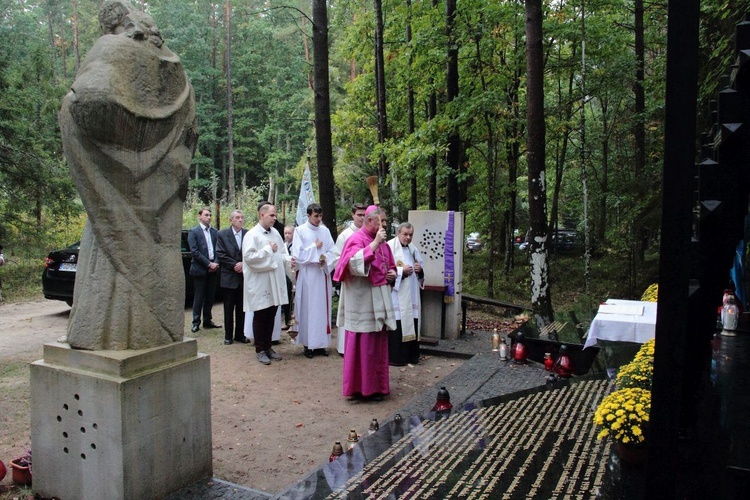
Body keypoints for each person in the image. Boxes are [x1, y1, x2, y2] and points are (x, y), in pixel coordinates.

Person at [58, 0, 198, 350]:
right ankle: (157, 333)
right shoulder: (178, 72)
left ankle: (105, 334)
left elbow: (90, 99)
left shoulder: (112, 48)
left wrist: (69, 106)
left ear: (117, 26)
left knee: (110, 249)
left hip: (115, 193)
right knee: (161, 253)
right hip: (161, 194)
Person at [333, 206, 397, 400]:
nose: (384, 225)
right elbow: (351, 264)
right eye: (381, 221)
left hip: (378, 300)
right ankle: (361, 389)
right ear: (370, 221)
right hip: (361, 301)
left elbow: (389, 265)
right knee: (364, 346)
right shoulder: (356, 239)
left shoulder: (383, 242)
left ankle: (377, 387)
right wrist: (374, 245)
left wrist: (393, 274)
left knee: (377, 345)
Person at [243, 203, 292, 365]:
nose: (274, 218)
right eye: (272, 215)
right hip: (261, 282)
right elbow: (249, 258)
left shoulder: (276, 233)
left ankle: (269, 346)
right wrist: (268, 250)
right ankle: (260, 349)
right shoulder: (252, 235)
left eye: (275, 215)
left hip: (274, 281)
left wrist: (290, 261)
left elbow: (283, 253)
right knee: (261, 315)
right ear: (262, 215)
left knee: (271, 314)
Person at [292, 203, 336, 358]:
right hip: (308, 275)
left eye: (320, 216)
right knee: (308, 309)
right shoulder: (300, 231)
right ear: (308, 215)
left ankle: (321, 344)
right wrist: (314, 247)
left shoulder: (325, 230)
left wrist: (326, 260)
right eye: (316, 216)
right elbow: (298, 255)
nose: (319, 219)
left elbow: (333, 251)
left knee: (322, 310)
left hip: (321, 274)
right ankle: (308, 344)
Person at [387, 222, 425, 366]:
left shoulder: (413, 248)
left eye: (410, 235)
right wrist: (402, 272)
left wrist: (419, 270)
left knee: (412, 322)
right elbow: (386, 270)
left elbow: (421, 268)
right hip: (396, 295)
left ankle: (411, 356)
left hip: (412, 294)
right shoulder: (389, 247)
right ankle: (396, 358)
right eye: (405, 235)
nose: (408, 238)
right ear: (398, 233)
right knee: (398, 325)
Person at [331, 203, 367, 355]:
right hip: (351, 282)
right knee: (349, 314)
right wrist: (352, 263)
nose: (362, 217)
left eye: (365, 215)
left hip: (365, 282)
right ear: (353, 215)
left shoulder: (370, 234)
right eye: (359, 214)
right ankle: (344, 347)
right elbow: (336, 259)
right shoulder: (345, 236)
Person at [216, 210, 248, 345]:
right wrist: (234, 264)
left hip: (243, 277)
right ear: (231, 220)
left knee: (242, 308)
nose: (240, 220)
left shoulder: (247, 234)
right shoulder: (222, 234)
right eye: (237, 218)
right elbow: (220, 253)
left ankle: (240, 334)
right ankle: (228, 335)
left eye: (241, 217)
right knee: (228, 308)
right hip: (229, 276)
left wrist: (243, 264)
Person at [187, 208, 222, 333]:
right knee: (199, 296)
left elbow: (218, 249)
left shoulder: (215, 232)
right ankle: (196, 322)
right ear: (199, 216)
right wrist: (208, 264)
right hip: (200, 269)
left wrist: (216, 263)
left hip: (213, 269)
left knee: (210, 296)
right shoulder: (194, 232)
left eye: (210, 215)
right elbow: (195, 252)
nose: (209, 217)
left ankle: (208, 320)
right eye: (206, 215)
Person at [281, 225, 295, 329]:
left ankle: (294, 321)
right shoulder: (283, 246)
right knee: (287, 298)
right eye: (285, 233)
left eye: (289, 233)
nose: (287, 235)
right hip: (285, 274)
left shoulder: (296, 245)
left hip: (295, 274)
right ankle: (287, 321)